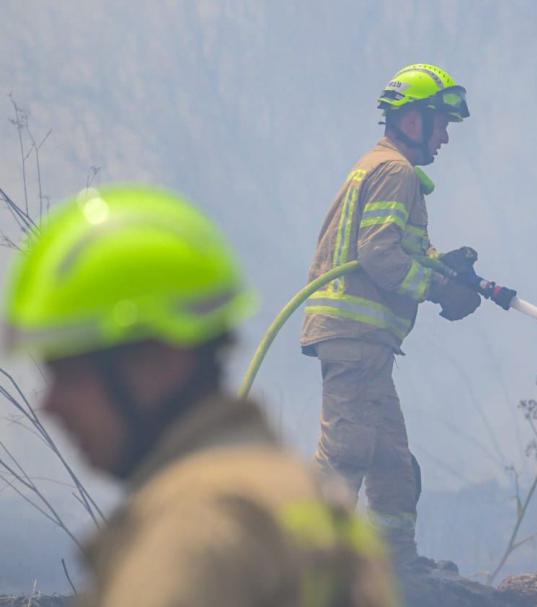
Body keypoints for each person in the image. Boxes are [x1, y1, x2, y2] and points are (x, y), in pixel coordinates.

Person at [4, 185, 396, 607]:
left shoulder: (194, 529)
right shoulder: (321, 512)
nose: (50, 402)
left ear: (160, 360)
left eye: (71, 374)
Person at [300, 63, 481, 568]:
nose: (446, 137)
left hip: (368, 339)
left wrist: (446, 272)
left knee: (392, 463)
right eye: (440, 122)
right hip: (354, 333)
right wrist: (439, 291)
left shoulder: (386, 170)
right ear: (411, 120)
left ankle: (395, 567)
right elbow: (379, 255)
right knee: (348, 451)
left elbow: (396, 248)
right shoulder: (395, 172)